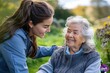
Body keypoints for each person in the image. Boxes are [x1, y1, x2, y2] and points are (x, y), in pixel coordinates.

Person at [0, 0, 58, 73]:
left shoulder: (24, 33)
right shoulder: (13, 38)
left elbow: (31, 50)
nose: (49, 30)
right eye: (45, 26)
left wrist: (55, 49)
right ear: (31, 23)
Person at [37, 16, 101, 73]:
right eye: (69, 31)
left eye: (75, 33)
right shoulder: (58, 53)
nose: (70, 35)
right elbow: (47, 68)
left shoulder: (93, 57)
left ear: (84, 38)